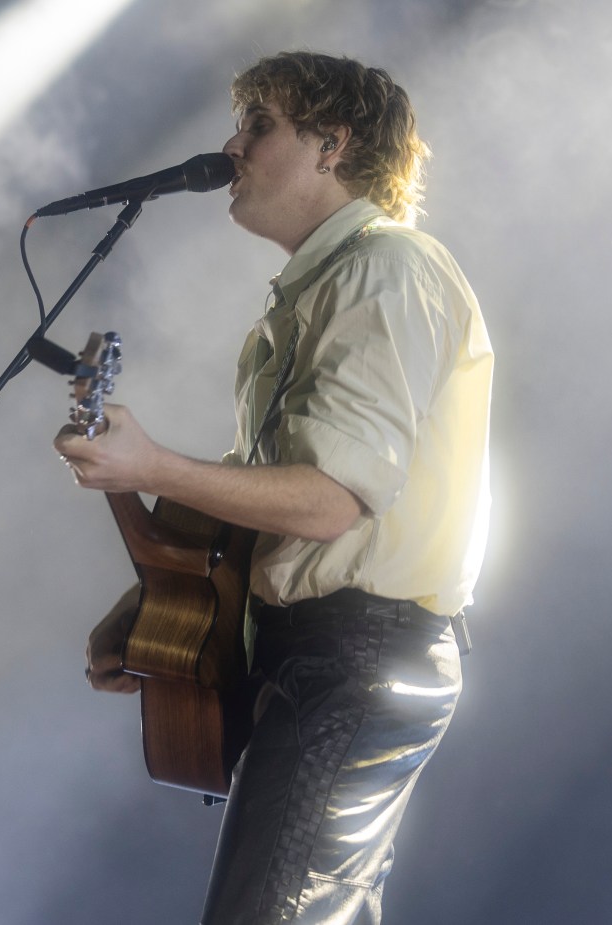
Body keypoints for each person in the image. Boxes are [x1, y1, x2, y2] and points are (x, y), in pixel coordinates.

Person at [54, 50, 493, 925]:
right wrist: (157, 596)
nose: (232, 147)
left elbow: (330, 500)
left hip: (355, 654)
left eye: (259, 126)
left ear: (333, 145)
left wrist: (152, 466)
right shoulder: (325, 286)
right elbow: (271, 504)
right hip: (324, 653)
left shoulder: (383, 269)